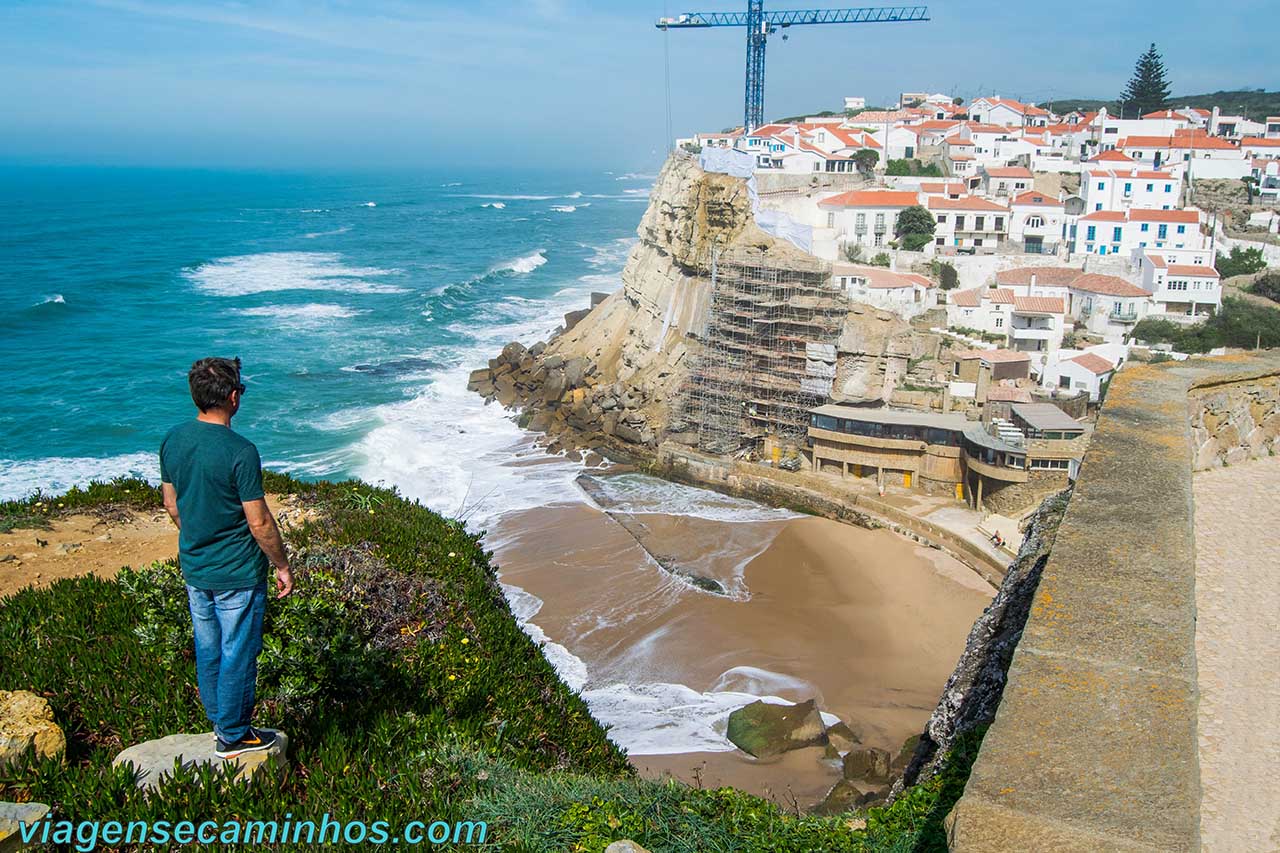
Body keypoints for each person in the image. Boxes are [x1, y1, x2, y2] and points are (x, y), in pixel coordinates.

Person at [159, 357, 294, 760]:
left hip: (196, 567)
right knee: (238, 649)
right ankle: (234, 735)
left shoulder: (172, 439)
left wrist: (198, 537)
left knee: (209, 645)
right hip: (237, 571)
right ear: (234, 398)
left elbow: (171, 504)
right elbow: (260, 522)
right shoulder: (241, 451)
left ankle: (221, 721)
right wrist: (282, 564)